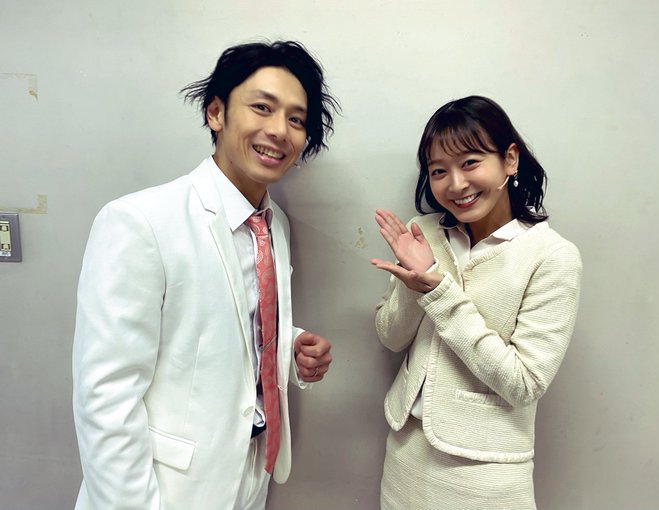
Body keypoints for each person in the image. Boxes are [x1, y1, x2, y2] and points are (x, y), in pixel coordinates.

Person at [72, 40, 338, 510]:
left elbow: (223, 320)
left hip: (249, 475)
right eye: (262, 107)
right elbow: (106, 396)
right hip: (167, 489)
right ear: (216, 113)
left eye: (297, 120)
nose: (280, 130)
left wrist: (288, 345)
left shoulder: (274, 225)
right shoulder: (140, 221)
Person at [371, 96, 582, 509]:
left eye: (470, 162)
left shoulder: (552, 256)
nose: (455, 184)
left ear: (509, 160)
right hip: (404, 456)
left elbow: (525, 383)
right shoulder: (422, 233)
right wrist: (414, 286)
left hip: (486, 473)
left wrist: (437, 290)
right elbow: (391, 338)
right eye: (438, 171)